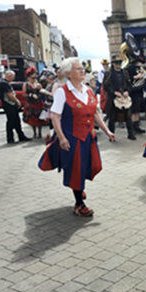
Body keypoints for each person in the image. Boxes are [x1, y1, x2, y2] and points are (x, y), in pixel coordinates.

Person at [38, 57, 116, 216]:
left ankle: (79, 188)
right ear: (68, 73)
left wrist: (107, 131)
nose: (83, 71)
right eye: (78, 69)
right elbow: (55, 117)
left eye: (83, 68)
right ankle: (79, 204)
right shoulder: (62, 92)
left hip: (89, 136)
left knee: (94, 165)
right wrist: (61, 138)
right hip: (72, 137)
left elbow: (95, 114)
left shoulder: (88, 90)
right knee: (76, 170)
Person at [104, 56, 136, 140]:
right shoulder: (109, 73)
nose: (119, 65)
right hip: (112, 98)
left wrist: (127, 91)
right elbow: (105, 86)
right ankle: (111, 136)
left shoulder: (125, 73)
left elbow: (130, 84)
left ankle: (131, 134)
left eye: (120, 63)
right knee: (112, 117)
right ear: (113, 64)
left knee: (128, 116)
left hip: (124, 97)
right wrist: (114, 92)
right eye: (117, 63)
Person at [0, 70, 31, 144]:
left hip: (9, 104)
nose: (13, 78)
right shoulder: (4, 83)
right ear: (9, 76)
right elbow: (10, 94)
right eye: (13, 77)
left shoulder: (4, 82)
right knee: (11, 121)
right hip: (9, 104)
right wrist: (17, 101)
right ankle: (10, 138)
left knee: (16, 120)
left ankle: (21, 136)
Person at [23, 66, 49, 138]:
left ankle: (40, 133)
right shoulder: (26, 85)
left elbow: (42, 92)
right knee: (32, 119)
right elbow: (24, 94)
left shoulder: (39, 85)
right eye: (32, 78)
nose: (34, 79)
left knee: (39, 118)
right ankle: (34, 133)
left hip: (39, 103)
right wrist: (31, 95)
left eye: (35, 78)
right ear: (29, 77)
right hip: (30, 103)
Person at [126, 57, 146, 133]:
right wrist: (137, 76)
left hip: (139, 90)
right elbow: (127, 77)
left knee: (137, 109)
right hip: (133, 91)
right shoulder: (130, 68)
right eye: (140, 63)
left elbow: (144, 78)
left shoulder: (140, 69)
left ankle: (136, 125)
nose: (141, 64)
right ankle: (132, 126)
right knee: (134, 109)